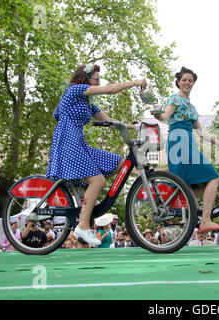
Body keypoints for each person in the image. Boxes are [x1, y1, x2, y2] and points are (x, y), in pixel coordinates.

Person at [46, 63, 147, 246]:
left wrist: (135, 127)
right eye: (96, 78)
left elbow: (110, 121)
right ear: (86, 78)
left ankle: (88, 193)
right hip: (68, 143)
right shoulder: (76, 90)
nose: (99, 82)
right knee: (99, 181)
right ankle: (83, 226)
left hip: (79, 143)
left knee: (120, 164)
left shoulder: (87, 102)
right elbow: (109, 90)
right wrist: (136, 82)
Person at [152, 66, 219, 234]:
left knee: (200, 187)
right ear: (178, 82)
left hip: (189, 143)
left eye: (190, 80)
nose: (187, 82)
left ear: (193, 83)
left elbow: (201, 131)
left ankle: (173, 206)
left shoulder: (192, 107)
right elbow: (165, 117)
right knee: (213, 178)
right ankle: (206, 220)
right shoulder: (175, 99)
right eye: (184, 80)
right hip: (179, 142)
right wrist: (157, 114)